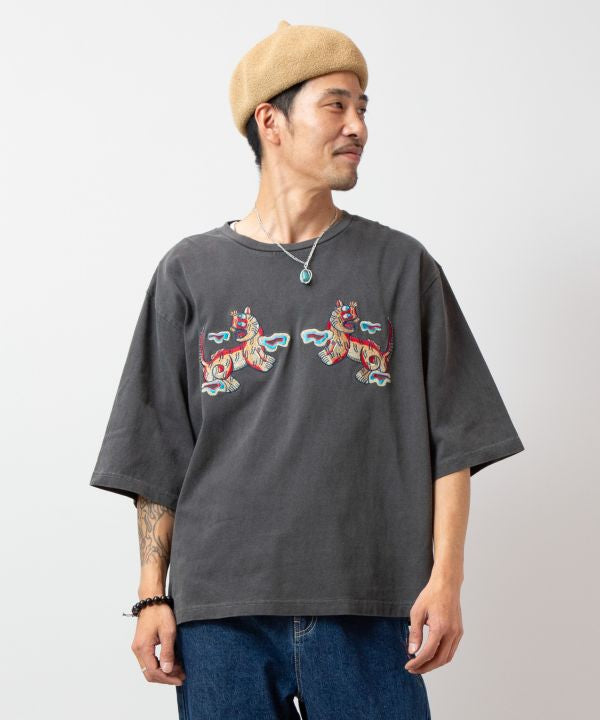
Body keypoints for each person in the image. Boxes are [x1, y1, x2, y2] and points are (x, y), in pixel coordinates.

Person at [90, 19, 525, 719]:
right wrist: (151, 594)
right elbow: (157, 450)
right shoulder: (189, 272)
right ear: (271, 122)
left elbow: (457, 439)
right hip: (221, 615)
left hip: (370, 606)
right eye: (336, 105)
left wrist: (446, 581)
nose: (358, 127)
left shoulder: (402, 267)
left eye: (363, 108)